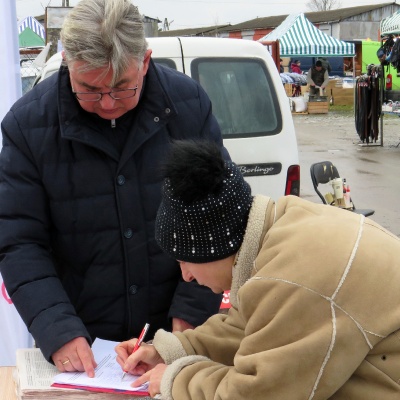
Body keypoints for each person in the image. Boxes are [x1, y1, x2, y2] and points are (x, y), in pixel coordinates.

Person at [0, 0, 227, 377]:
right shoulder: (28, 127)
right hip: (80, 340)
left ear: (146, 61)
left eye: (122, 87)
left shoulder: (187, 107)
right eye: (89, 89)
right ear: (67, 63)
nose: (107, 103)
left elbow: (214, 214)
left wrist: (188, 318)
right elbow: (19, 240)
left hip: (173, 330)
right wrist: (57, 330)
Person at [116, 140, 400, 399]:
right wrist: (167, 351)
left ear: (213, 247)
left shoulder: (294, 276)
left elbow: (257, 392)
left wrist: (176, 379)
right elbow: (251, 327)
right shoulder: (284, 224)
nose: (186, 276)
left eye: (184, 261)